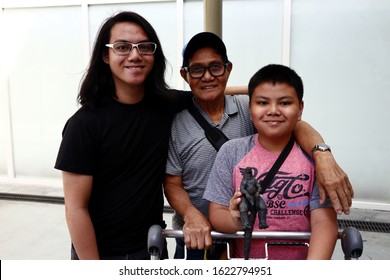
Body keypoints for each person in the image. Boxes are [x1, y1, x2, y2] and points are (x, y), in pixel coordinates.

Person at [164, 32, 347, 259]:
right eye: (198, 69)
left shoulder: (247, 109)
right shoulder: (176, 122)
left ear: (228, 69)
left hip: (247, 233)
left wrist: (322, 154)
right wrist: (192, 214)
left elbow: (293, 125)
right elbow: (172, 182)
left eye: (216, 67)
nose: (208, 76)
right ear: (185, 74)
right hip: (198, 233)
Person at [54, 11, 194, 260]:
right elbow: (76, 209)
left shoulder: (164, 105)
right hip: (102, 255)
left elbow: (208, 93)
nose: (135, 55)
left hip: (152, 250)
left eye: (144, 47)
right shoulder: (84, 124)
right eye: (122, 47)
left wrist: (261, 93)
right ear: (105, 56)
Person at [204, 64, 338, 259]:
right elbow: (217, 213)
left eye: (284, 103)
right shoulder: (232, 152)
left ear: (300, 109)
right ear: (250, 109)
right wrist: (235, 219)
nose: (273, 110)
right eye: (263, 103)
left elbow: (324, 223)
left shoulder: (314, 158)